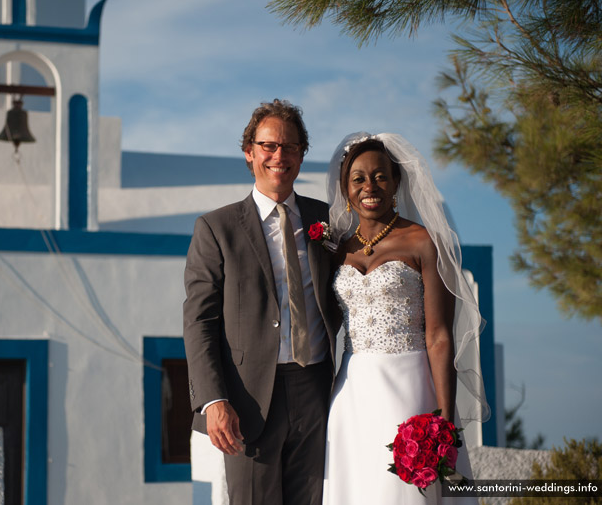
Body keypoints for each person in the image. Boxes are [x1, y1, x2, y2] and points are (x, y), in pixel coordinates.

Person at [183, 99, 342, 505]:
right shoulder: (216, 228)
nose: (279, 156)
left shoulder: (327, 224)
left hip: (316, 389)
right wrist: (214, 400)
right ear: (249, 152)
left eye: (290, 147)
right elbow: (199, 321)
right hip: (247, 400)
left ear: (302, 155)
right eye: (269, 145)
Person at [321, 132, 489, 504]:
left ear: (396, 181)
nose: (370, 186)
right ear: (346, 189)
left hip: (408, 387)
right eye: (359, 178)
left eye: (381, 176)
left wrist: (443, 422)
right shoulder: (338, 250)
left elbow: (440, 336)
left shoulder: (423, 242)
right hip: (350, 392)